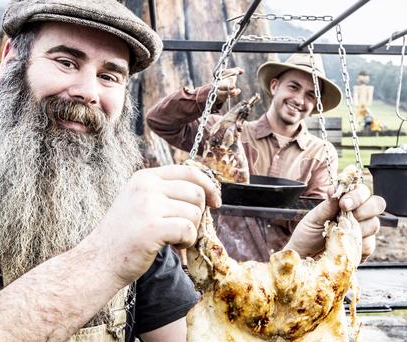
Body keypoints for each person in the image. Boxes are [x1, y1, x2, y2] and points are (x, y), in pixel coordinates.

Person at [0, 0, 384, 342]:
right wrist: (103, 261)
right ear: (15, 59)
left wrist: (304, 262)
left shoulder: (120, 210)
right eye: (66, 61)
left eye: (110, 75)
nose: (87, 92)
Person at [147, 54, 385, 262]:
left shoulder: (320, 153)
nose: (300, 100)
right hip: (219, 262)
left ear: (316, 105)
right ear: (274, 86)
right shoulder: (227, 132)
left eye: (311, 95)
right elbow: (160, 121)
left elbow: (316, 215)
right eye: (293, 87)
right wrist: (208, 95)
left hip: (283, 269)